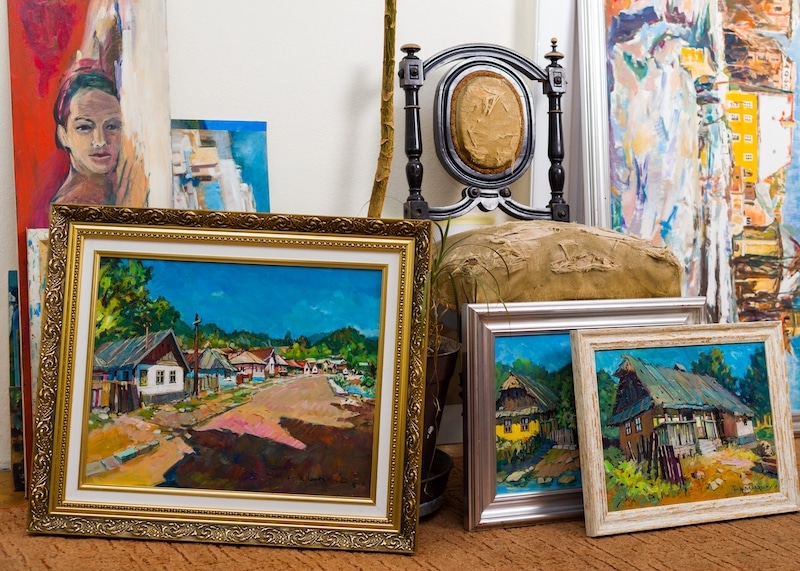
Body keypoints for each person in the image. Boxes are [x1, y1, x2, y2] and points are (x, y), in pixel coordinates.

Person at [51, 64, 125, 204]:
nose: (100, 140)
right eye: (84, 127)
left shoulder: (122, 189)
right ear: (63, 135)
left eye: (111, 126)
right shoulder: (70, 204)